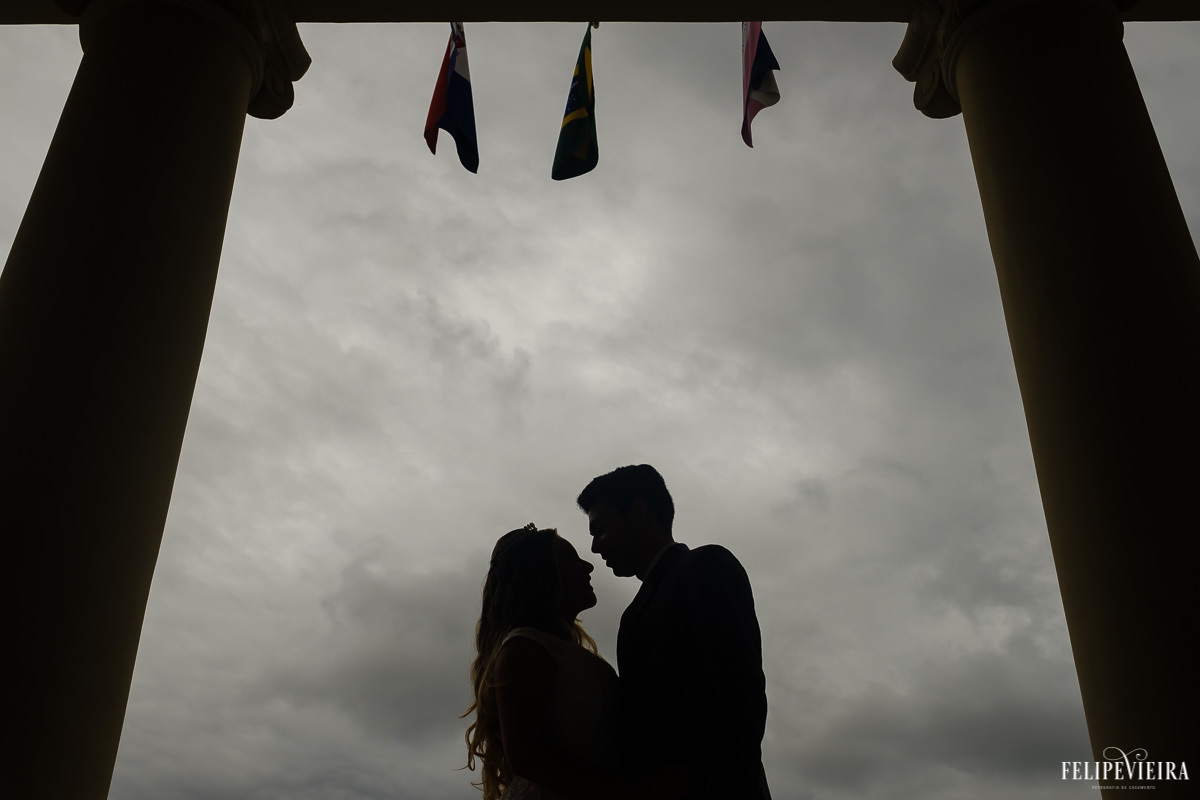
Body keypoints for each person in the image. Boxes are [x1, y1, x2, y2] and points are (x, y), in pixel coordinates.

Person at [578, 464, 772, 800]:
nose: (595, 547)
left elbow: (739, 695)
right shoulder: (632, 615)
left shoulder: (705, 566)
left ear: (638, 512)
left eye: (602, 528)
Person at [463, 523, 635, 800]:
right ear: (539, 576)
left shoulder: (557, 651)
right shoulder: (523, 649)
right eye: (569, 558)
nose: (587, 566)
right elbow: (529, 757)